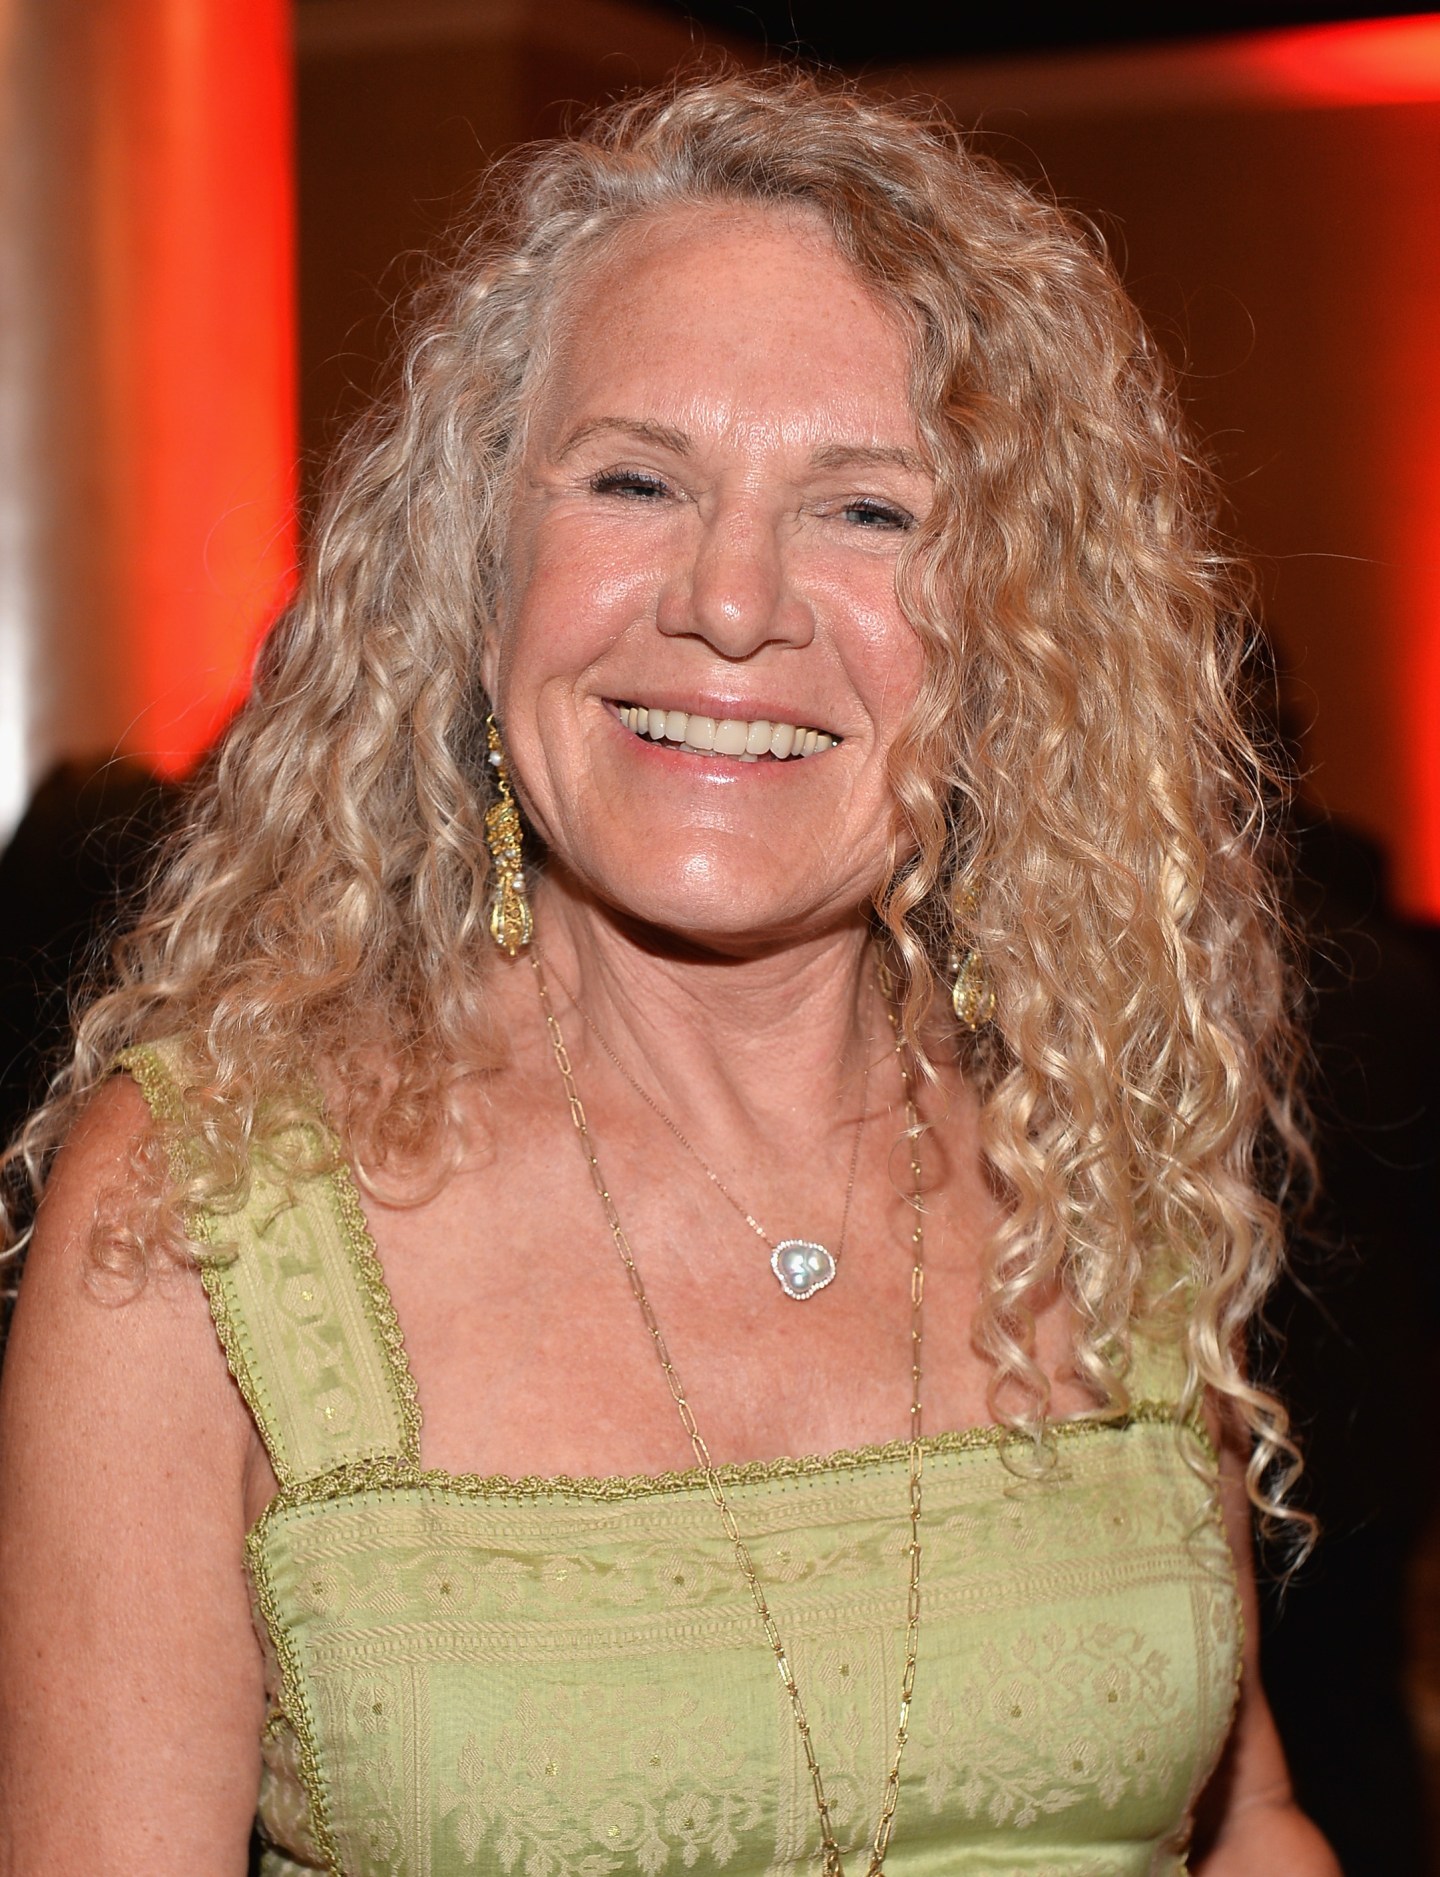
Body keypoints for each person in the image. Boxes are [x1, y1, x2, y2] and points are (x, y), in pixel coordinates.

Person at [0, 73, 1339, 1876]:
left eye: (868, 511)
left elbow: (1245, 1821)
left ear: (1018, 630)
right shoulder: (197, 1220)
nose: (729, 600)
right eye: (636, 478)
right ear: (479, 571)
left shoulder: (1103, 1154)